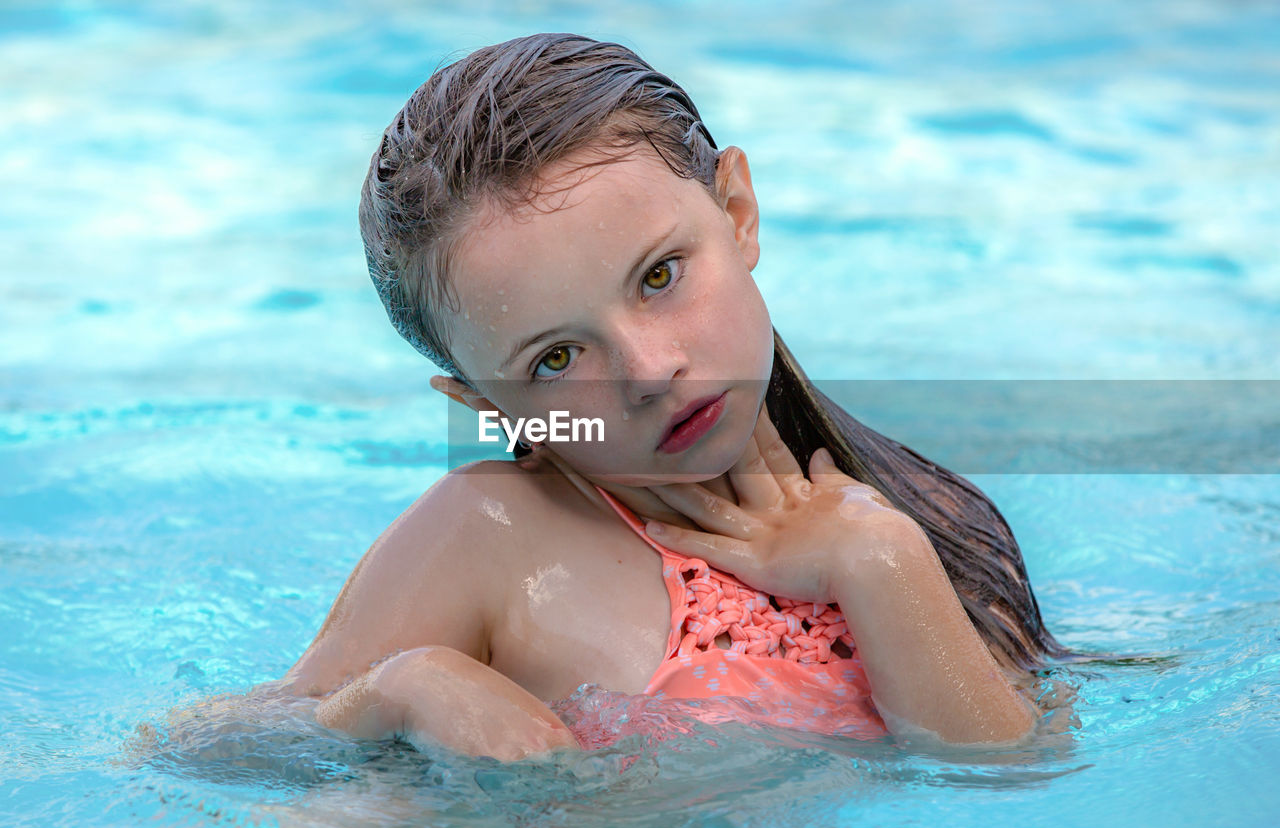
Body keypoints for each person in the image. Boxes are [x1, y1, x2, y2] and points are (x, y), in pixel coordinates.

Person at [279, 33, 1068, 761]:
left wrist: (882, 565)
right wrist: (403, 687)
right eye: (556, 357)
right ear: (488, 404)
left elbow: (1014, 782)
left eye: (659, 276)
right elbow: (217, 750)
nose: (650, 369)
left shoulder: (922, 521)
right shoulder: (488, 534)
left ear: (737, 213)